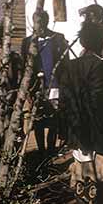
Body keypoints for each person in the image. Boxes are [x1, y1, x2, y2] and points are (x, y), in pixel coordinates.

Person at [60, 21, 103, 204]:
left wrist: (67, 128)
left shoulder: (69, 66)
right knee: (100, 173)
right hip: (97, 129)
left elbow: (64, 100)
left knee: (79, 171)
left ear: (83, 42)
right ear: (100, 43)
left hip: (76, 128)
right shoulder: (102, 66)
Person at [21, 10, 69, 155]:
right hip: (36, 88)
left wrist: (63, 86)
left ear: (46, 22)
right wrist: (28, 90)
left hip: (54, 86)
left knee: (54, 118)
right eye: (36, 23)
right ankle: (41, 150)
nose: (38, 26)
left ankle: (51, 149)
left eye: (41, 22)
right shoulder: (27, 42)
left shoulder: (58, 39)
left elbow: (65, 64)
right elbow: (24, 67)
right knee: (38, 119)